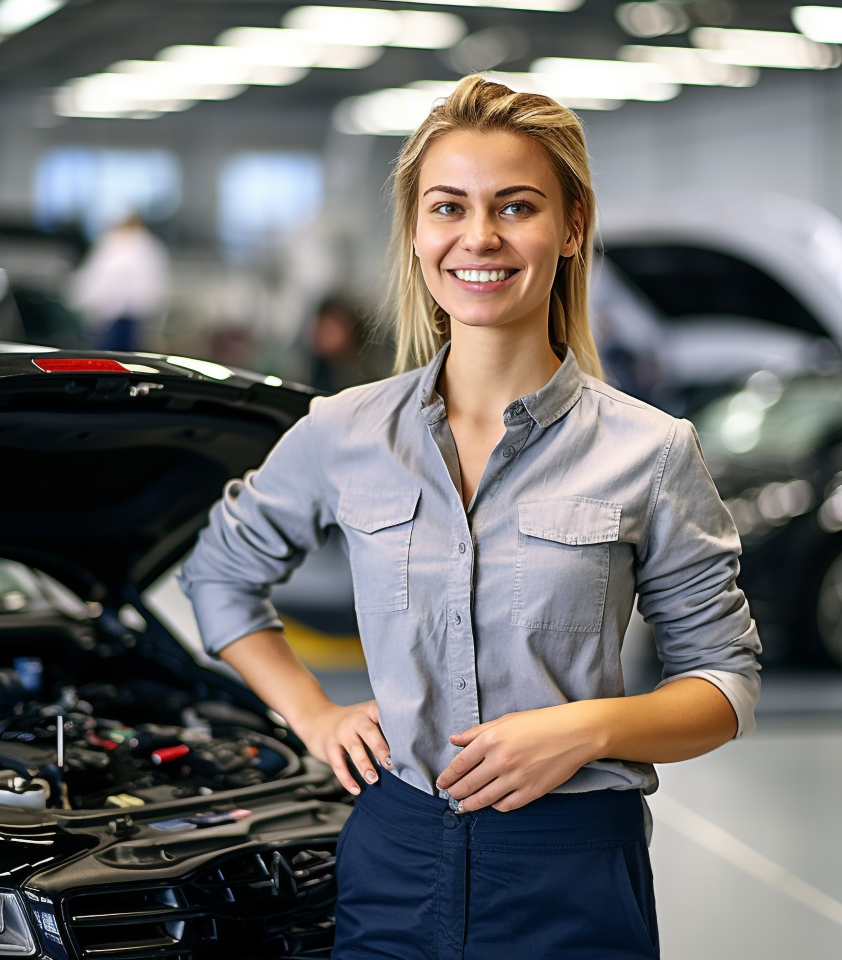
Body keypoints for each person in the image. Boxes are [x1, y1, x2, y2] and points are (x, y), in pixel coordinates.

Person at [179, 75, 761, 959]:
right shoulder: (344, 431)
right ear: (416, 233)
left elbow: (723, 685)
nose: (479, 236)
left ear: (570, 228)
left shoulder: (653, 450)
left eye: (516, 206)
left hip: (571, 868)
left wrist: (587, 726)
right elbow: (220, 573)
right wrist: (315, 715)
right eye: (448, 207)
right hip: (391, 861)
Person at [67, 213, 170, 351]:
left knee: (123, 353)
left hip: (131, 314)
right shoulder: (114, 245)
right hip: (113, 313)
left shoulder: (144, 247)